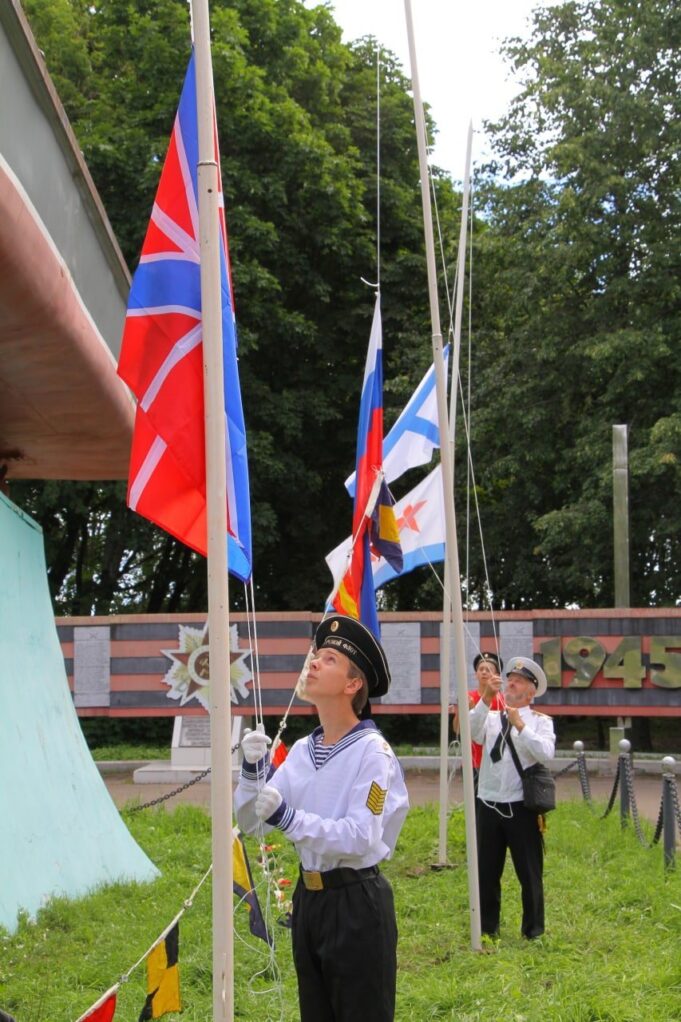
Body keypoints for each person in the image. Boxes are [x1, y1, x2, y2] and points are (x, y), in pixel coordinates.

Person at [235, 614, 410, 1022]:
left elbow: (361, 837)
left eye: (328, 659)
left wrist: (289, 818)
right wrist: (250, 770)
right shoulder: (302, 750)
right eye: (316, 655)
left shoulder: (372, 753)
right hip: (309, 900)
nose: (312, 663)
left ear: (353, 685)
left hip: (356, 903)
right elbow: (251, 823)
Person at [469, 655, 555, 940]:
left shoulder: (541, 723)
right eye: (510, 679)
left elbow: (545, 753)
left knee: (529, 873)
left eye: (518, 681)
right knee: (486, 872)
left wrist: (520, 726)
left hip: (521, 806)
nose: (511, 683)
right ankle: (487, 928)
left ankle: (533, 931)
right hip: (488, 803)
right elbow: (473, 733)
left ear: (531, 691)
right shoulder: (491, 716)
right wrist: (485, 697)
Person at [451, 652, 504, 789]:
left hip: (497, 762)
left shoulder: (503, 700)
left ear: (497, 675)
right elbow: (457, 730)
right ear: (476, 674)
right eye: (481, 669)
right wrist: (463, 711)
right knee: (474, 804)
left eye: (489, 670)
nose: (484, 672)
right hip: (472, 761)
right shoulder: (468, 696)